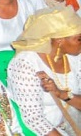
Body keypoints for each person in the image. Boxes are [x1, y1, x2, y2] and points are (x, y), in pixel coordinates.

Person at [9, 7, 81, 135]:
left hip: (72, 122)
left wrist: (62, 94)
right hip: (45, 131)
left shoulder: (74, 57)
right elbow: (34, 120)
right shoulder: (25, 64)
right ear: (59, 40)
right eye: (79, 39)